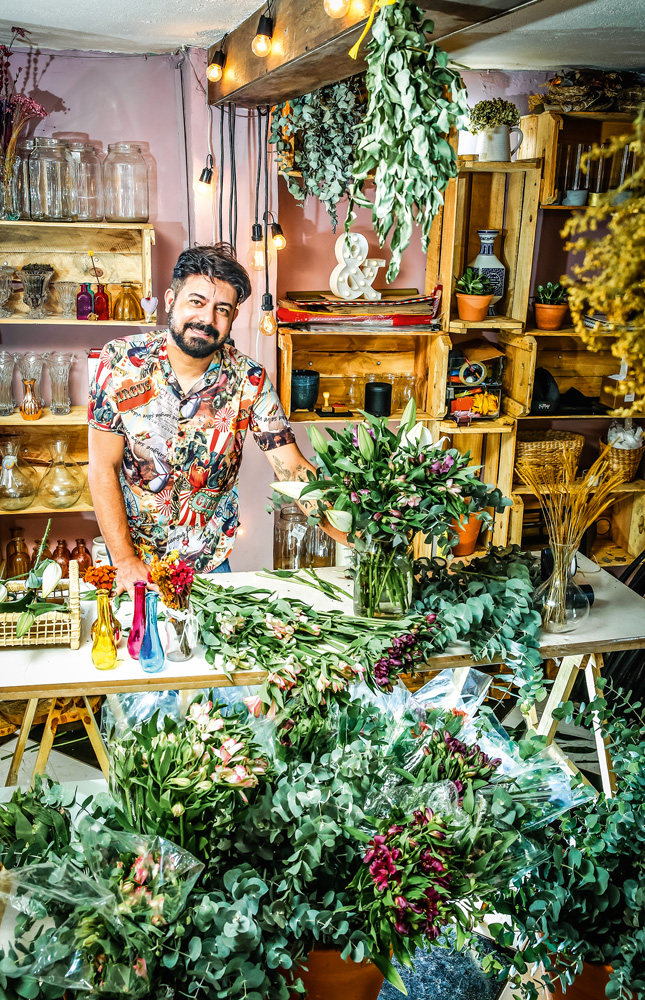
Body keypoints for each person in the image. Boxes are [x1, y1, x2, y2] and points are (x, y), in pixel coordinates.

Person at [88, 243, 344, 598]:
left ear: (233, 317)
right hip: (130, 563)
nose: (207, 319)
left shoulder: (250, 380)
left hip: (207, 565)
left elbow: (293, 470)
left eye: (221, 309)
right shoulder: (118, 361)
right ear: (170, 300)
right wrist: (124, 559)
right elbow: (103, 466)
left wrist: (353, 530)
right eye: (196, 301)